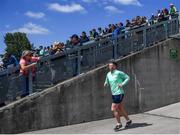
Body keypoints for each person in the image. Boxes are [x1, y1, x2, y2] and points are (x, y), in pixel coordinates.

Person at [104, 61, 132, 131]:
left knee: (113, 109)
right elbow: (107, 81)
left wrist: (122, 84)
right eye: (109, 66)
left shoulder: (119, 73)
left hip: (119, 93)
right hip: (113, 94)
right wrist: (105, 83)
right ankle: (128, 120)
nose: (110, 67)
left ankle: (119, 124)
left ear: (115, 66)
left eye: (111, 66)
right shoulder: (108, 74)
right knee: (120, 108)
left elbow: (127, 77)